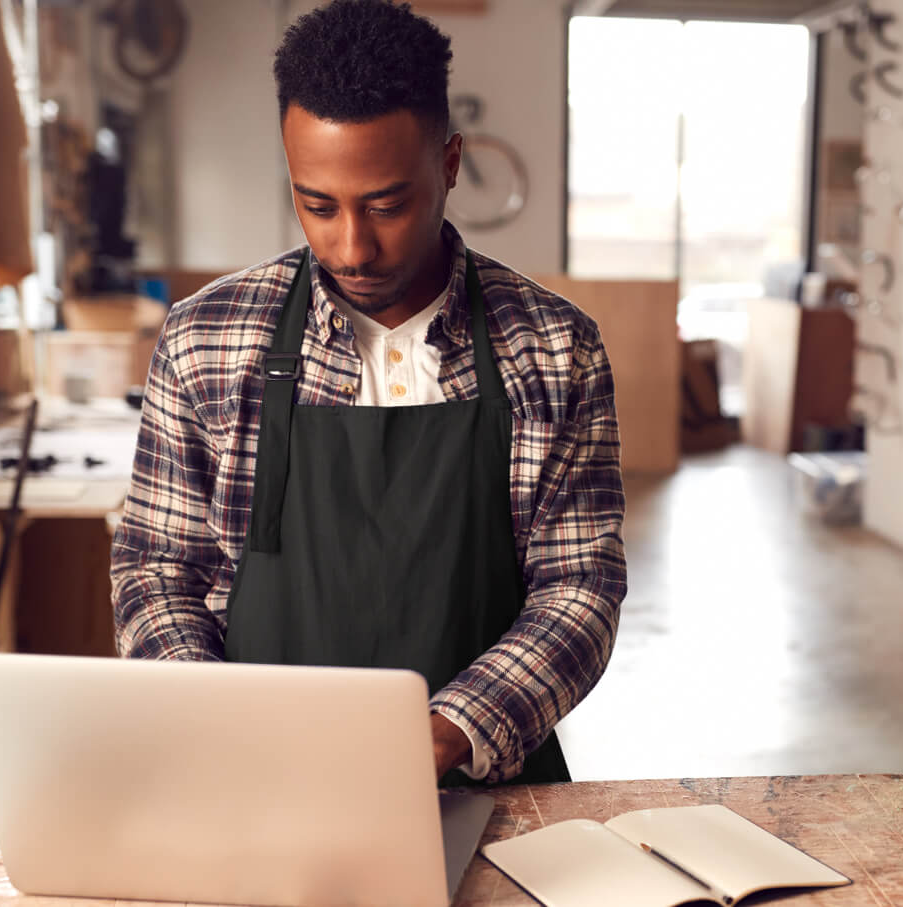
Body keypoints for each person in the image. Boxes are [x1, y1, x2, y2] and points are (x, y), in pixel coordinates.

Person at [111, 0, 626, 786]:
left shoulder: (556, 350)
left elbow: (579, 585)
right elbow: (155, 570)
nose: (351, 246)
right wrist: (208, 708)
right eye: (317, 204)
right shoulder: (204, 340)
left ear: (449, 164)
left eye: (387, 203)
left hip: (484, 786)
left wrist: (454, 728)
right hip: (257, 779)